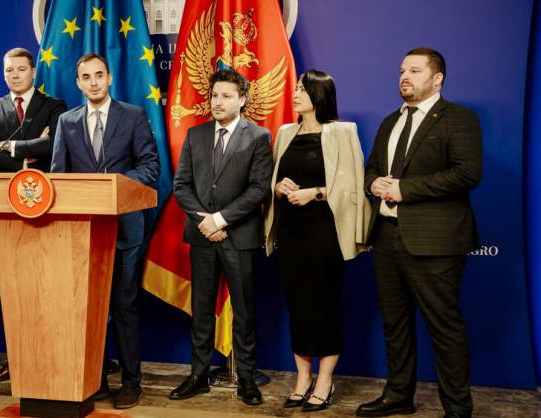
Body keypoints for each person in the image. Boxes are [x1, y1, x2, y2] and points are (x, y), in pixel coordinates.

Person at [357, 48, 482, 418]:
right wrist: (373, 184)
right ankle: (399, 395)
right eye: (401, 71)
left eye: (414, 70)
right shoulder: (389, 122)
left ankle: (457, 408)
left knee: (444, 326)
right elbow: (371, 169)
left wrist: (404, 189)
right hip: (386, 237)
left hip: (435, 241)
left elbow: (467, 173)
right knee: (394, 323)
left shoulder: (459, 119)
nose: (404, 77)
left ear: (437, 79)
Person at [51, 53, 159, 409]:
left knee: (124, 304)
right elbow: (58, 177)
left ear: (109, 78)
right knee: (89, 308)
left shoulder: (133, 115)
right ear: (78, 83)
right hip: (83, 233)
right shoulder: (67, 121)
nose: (94, 82)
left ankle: (131, 382)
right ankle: (93, 380)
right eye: (86, 77)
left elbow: (150, 166)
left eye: (99, 75)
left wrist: (115, 186)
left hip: (126, 229)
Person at [263, 70, 370, 412]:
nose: (295, 93)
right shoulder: (285, 132)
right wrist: (278, 187)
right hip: (291, 234)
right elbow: (272, 179)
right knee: (297, 306)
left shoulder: (343, 131)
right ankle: (302, 378)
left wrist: (317, 192)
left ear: (319, 95)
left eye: (302, 89)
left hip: (326, 233)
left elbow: (355, 184)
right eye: (295, 88)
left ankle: (325, 380)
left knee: (324, 306)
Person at [170, 69, 272, 406]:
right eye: (214, 95)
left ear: (242, 100)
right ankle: (198, 376)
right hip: (202, 237)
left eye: (226, 96)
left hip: (239, 237)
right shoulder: (195, 135)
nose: (218, 102)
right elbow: (181, 185)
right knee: (201, 310)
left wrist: (220, 219)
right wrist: (205, 221)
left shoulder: (258, 136)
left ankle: (246, 378)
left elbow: (259, 188)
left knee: (244, 310)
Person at [0, 47, 66, 383]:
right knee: (15, 291)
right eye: (8, 70)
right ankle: (16, 361)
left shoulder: (53, 105)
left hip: (47, 207)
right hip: (6, 211)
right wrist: (29, 155)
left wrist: (9, 146)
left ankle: (50, 358)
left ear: (33, 72)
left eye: (21, 69)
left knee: (47, 289)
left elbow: (56, 146)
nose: (14, 75)